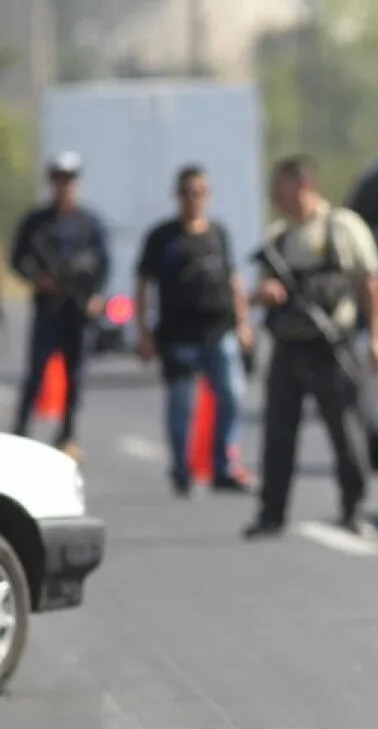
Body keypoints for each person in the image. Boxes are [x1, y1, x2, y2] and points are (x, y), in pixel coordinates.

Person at [242, 154, 378, 540]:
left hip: (331, 347)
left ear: (302, 184)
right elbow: (258, 290)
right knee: (278, 435)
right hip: (288, 347)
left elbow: (369, 284)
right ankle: (271, 513)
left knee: (346, 432)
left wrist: (377, 337)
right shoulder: (278, 237)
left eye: (281, 184)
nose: (275, 193)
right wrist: (267, 292)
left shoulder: (341, 226)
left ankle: (355, 509)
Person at [134, 164, 253, 496]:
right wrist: (143, 332)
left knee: (232, 395)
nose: (193, 199)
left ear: (208, 196)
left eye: (199, 193)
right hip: (179, 334)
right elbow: (143, 284)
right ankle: (182, 469)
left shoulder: (218, 233)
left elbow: (233, 278)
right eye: (187, 193)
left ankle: (223, 465)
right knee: (182, 406)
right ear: (177, 195)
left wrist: (243, 323)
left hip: (218, 329)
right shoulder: (163, 237)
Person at [8, 152, 110, 460]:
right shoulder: (37, 221)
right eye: (59, 179)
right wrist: (38, 279)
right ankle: (20, 432)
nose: (64, 185)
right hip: (48, 308)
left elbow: (103, 263)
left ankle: (66, 435)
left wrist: (95, 296)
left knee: (75, 377)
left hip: (78, 310)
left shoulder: (89, 223)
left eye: (69, 180)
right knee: (36, 373)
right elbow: (18, 258)